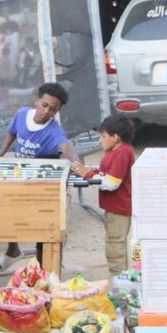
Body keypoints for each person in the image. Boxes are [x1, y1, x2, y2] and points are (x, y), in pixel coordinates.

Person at [0, 82, 76, 265]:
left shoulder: (53, 130)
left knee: (44, 223)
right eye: (44, 105)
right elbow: (12, 132)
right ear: (37, 101)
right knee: (10, 212)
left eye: (53, 109)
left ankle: (45, 264)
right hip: (21, 175)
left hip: (43, 184)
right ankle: (13, 249)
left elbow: (66, 145)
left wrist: (76, 163)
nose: (46, 111)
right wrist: (2, 150)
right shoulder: (22, 114)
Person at [72, 115, 136, 276]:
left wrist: (87, 175)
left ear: (115, 137)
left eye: (103, 136)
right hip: (114, 207)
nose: (100, 140)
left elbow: (110, 183)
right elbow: (105, 173)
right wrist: (90, 172)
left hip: (119, 208)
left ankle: (120, 283)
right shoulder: (116, 151)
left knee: (115, 245)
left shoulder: (123, 152)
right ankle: (120, 279)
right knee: (114, 242)